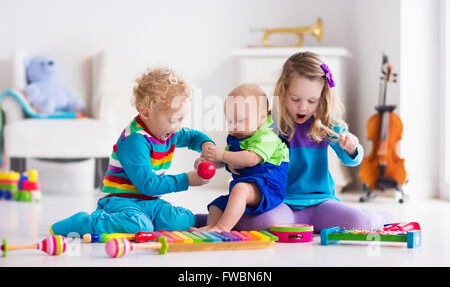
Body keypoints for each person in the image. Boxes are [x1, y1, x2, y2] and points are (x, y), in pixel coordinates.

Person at [195, 52, 392, 232]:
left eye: (312, 101)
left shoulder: (328, 125)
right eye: (295, 99)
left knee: (361, 224)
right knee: (263, 225)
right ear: (283, 91)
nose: (303, 107)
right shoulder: (269, 126)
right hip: (282, 203)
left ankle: (376, 216)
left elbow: (353, 160)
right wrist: (218, 160)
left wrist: (351, 148)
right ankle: (213, 220)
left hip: (321, 202)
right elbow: (241, 153)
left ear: (322, 98)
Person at [50, 67, 215, 236]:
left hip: (150, 202)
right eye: (174, 120)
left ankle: (212, 221)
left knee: (179, 221)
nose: (179, 126)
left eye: (182, 119)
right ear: (145, 112)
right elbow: (148, 184)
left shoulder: (167, 132)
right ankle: (85, 223)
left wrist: (206, 146)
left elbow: (192, 137)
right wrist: (187, 180)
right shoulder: (134, 141)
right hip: (119, 201)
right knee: (140, 226)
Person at [191, 84, 289, 232]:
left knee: (240, 189)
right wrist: (209, 161)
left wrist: (222, 154)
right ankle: (211, 228)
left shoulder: (268, 136)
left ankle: (222, 227)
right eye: (230, 121)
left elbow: (250, 159)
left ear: (262, 117)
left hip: (268, 187)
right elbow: (226, 159)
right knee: (217, 205)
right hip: (247, 186)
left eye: (240, 120)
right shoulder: (238, 137)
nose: (234, 126)